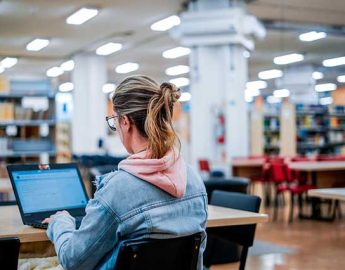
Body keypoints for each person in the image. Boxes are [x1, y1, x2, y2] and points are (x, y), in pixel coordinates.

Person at [43, 75, 208, 269]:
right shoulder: (194, 179)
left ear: (125, 122)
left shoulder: (118, 190)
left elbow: (73, 260)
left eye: (114, 121)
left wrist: (60, 223)